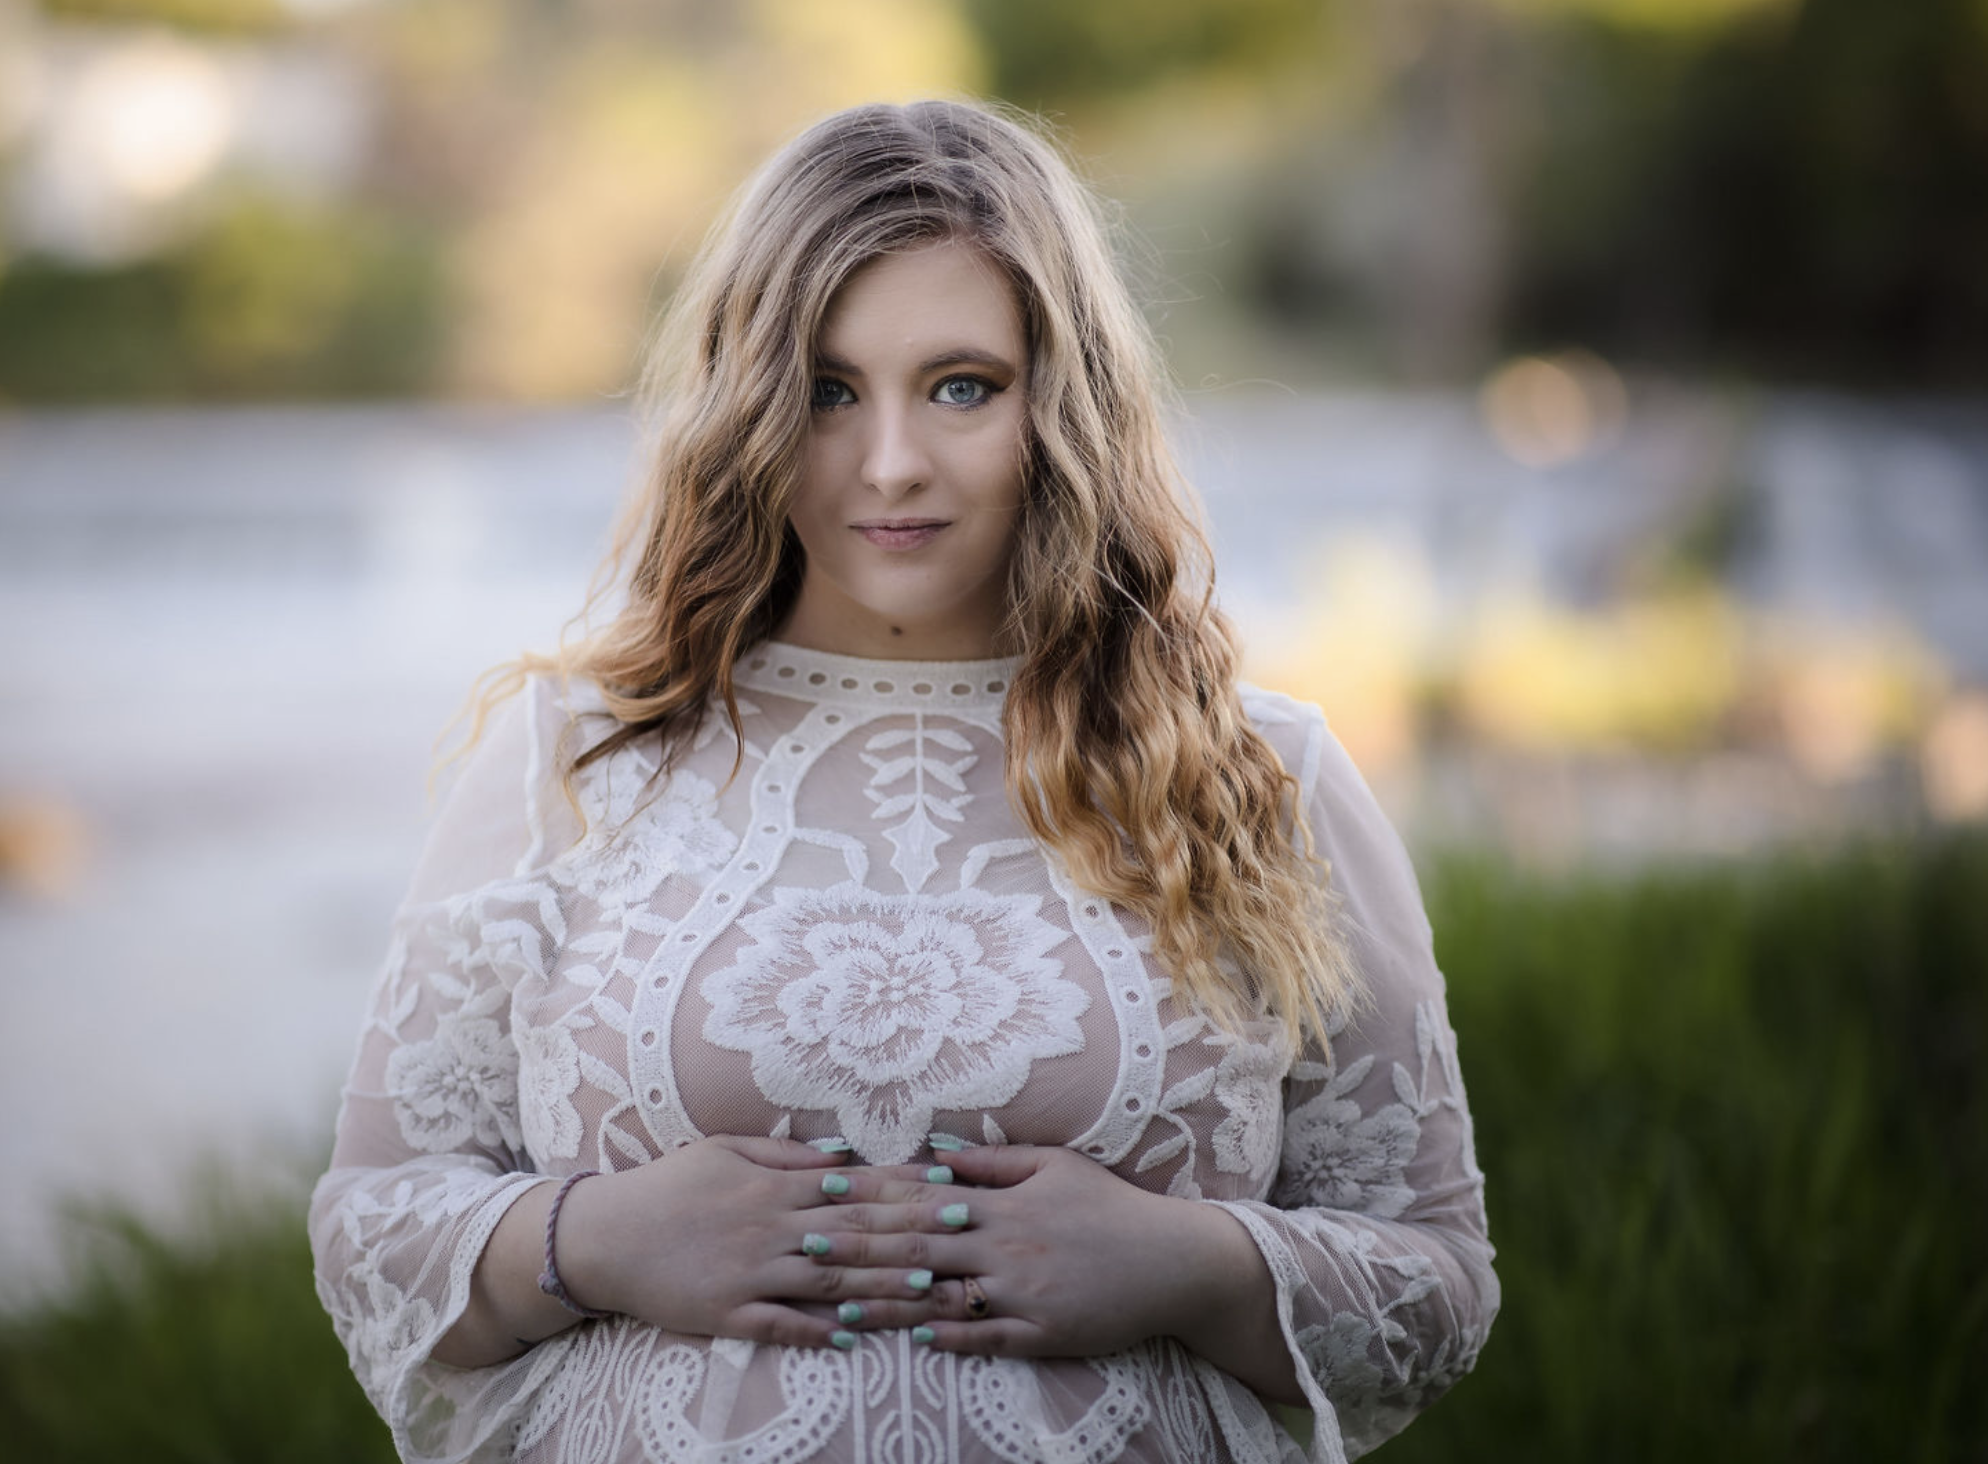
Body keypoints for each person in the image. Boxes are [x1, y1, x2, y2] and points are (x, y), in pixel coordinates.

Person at [310, 98, 1498, 1464]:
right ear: (746, 402)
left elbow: (1437, 1284)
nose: (890, 463)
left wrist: (1190, 1264)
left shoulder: (1258, 771)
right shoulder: (577, 755)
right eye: (827, 389)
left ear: (1063, 404)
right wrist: (598, 1241)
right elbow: (373, 1226)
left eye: (961, 386)